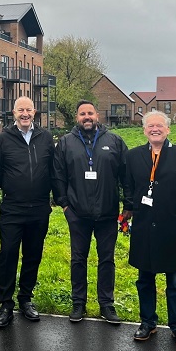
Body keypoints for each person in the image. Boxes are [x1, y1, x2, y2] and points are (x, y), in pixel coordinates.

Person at [122, 111, 176, 348]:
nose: (155, 129)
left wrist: (171, 209)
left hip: (173, 226)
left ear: (168, 129)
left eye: (160, 126)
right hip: (144, 226)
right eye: (150, 126)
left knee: (175, 280)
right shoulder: (133, 156)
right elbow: (129, 186)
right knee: (145, 278)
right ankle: (148, 322)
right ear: (144, 130)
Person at [53, 100, 127, 324]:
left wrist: (128, 206)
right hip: (77, 214)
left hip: (107, 213)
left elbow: (126, 174)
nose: (87, 117)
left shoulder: (114, 141)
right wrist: (65, 205)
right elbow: (58, 176)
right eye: (82, 114)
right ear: (77, 117)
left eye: (90, 113)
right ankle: (78, 302)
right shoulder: (66, 143)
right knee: (78, 259)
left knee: (107, 260)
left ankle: (106, 304)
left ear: (98, 116)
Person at [0, 96, 55, 328]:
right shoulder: (2, 139)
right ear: (13, 112)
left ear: (34, 112)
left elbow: (52, 168)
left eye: (28, 110)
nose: (25, 114)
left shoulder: (45, 138)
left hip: (39, 207)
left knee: (33, 254)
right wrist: (12, 187)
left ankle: (25, 299)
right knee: (7, 253)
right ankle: (5, 303)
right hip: (12, 207)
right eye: (21, 110)